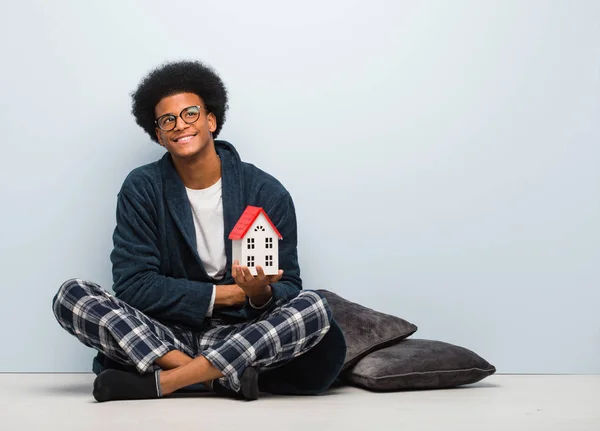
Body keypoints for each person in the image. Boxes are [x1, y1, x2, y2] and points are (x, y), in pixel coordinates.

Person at [52, 60, 346, 402]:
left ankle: (168, 382)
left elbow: (289, 286)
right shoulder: (142, 188)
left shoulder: (266, 191)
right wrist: (233, 293)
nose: (180, 125)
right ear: (159, 136)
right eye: (168, 120)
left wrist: (258, 294)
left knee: (315, 305)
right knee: (72, 296)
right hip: (165, 335)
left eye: (190, 113)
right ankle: (213, 379)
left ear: (211, 119)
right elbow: (133, 285)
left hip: (242, 335)